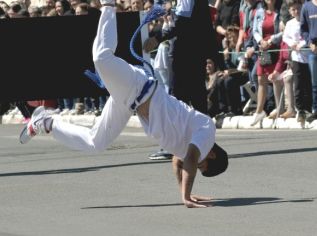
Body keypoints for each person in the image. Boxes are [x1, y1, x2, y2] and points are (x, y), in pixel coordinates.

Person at [19, 4, 228, 208]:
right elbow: (190, 160)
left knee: (95, 143)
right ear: (212, 154)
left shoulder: (190, 146)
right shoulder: (207, 131)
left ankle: (46, 122)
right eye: (203, 166)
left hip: (129, 103)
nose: (197, 166)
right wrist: (187, 197)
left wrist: (185, 191)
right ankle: (109, 6)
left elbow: (178, 163)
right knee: (101, 57)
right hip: (138, 87)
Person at [283, 0, 312, 122]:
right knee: (298, 83)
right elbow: (285, 37)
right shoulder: (290, 23)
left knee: (309, 82)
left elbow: (310, 34)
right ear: (290, 11)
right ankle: (300, 109)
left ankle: (309, 107)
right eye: (293, 9)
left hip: (308, 54)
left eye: (298, 9)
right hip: (296, 57)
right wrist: (292, 44)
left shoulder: (308, 20)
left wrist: (303, 43)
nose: (296, 11)